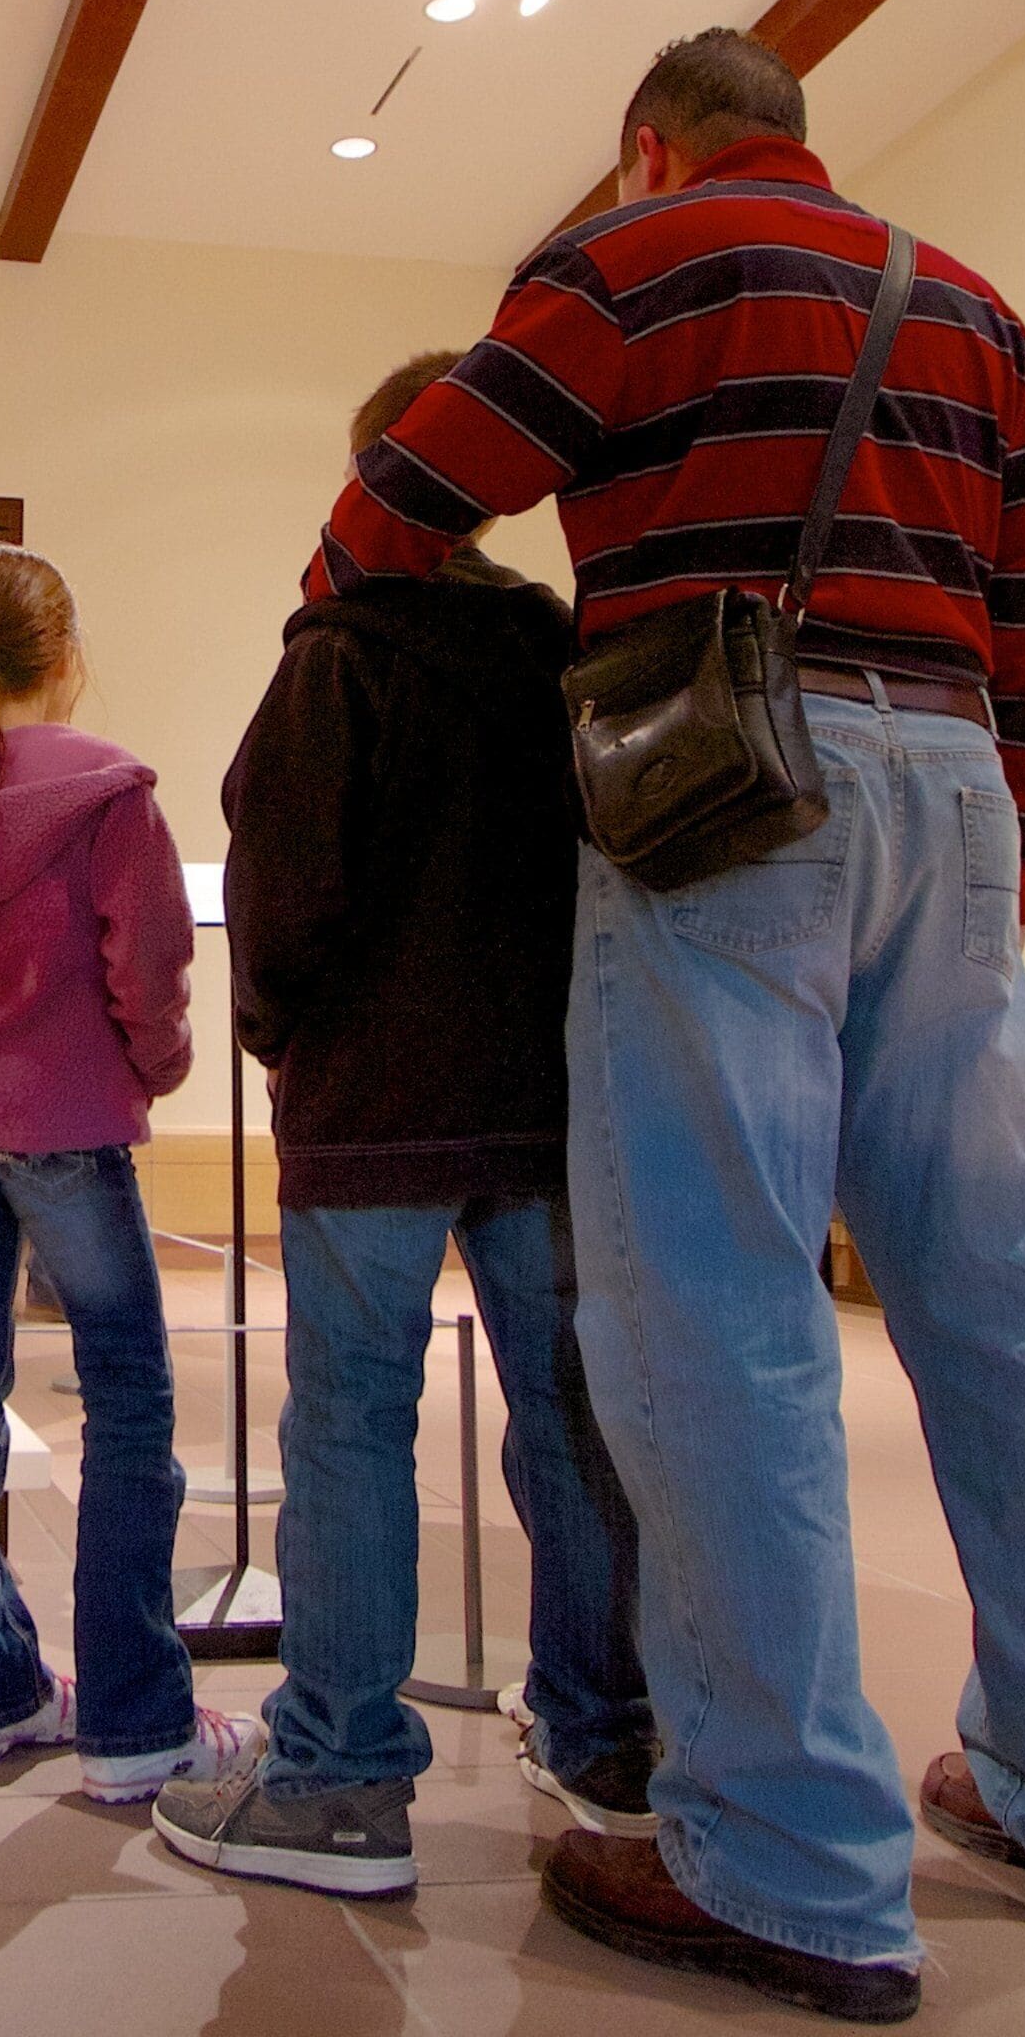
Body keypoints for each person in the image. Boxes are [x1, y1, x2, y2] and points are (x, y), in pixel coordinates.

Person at [293, 29, 1025, 2022]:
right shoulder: (974, 307)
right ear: (800, 134)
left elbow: (411, 492)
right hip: (956, 795)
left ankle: (784, 1856)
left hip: (728, 795)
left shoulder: (625, 269)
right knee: (1008, 1319)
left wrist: (342, 606)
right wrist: (1015, 832)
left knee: (717, 1319)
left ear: (651, 146)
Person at [153, 354, 659, 1899]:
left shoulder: (343, 650)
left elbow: (283, 891)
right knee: (572, 1420)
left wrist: (273, 1033)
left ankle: (341, 1776)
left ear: (374, 474)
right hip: (542, 1101)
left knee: (352, 1426)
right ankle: (604, 1732)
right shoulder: (566, 652)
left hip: (373, 1107)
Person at [0, 546, 253, 1803]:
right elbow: (152, 968)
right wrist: (151, 1064)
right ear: (64, 653)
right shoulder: (111, 795)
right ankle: (135, 1724)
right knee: (128, 1399)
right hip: (72, 1125)